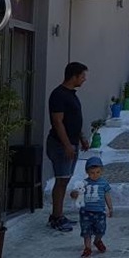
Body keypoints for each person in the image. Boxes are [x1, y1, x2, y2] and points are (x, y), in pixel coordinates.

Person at [47, 62, 90, 232]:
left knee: (65, 180)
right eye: (82, 76)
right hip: (60, 144)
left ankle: (59, 214)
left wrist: (81, 138)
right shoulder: (58, 95)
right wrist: (66, 145)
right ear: (74, 76)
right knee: (61, 180)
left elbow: (73, 120)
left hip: (72, 141)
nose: (84, 79)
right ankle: (56, 217)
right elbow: (58, 122)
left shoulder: (72, 95)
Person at [71, 157, 113, 258]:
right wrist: (74, 194)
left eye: (98, 172)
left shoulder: (104, 183)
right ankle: (87, 248)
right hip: (86, 212)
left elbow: (107, 196)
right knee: (86, 231)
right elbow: (74, 193)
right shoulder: (84, 183)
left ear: (102, 171)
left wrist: (110, 207)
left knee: (101, 229)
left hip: (99, 212)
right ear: (87, 172)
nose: (95, 175)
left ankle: (97, 241)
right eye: (92, 172)